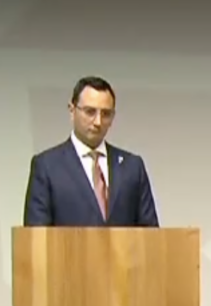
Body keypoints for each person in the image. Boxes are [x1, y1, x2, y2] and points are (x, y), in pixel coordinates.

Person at [23, 75, 160, 226]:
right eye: (90, 112)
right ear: (72, 110)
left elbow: (150, 234)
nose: (98, 122)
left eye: (106, 114)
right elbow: (36, 235)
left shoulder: (132, 167)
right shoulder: (47, 166)